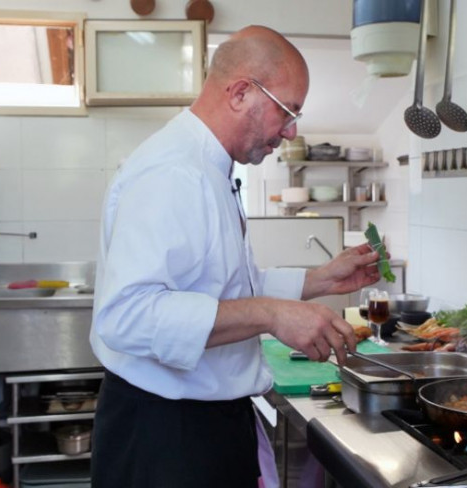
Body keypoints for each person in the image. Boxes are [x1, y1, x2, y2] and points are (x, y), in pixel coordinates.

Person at [89, 25, 383, 488]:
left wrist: (322, 279)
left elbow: (226, 288)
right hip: (165, 438)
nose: (291, 131)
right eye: (288, 111)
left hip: (203, 425)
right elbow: (126, 315)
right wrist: (271, 314)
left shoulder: (211, 168)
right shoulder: (172, 172)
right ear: (241, 92)